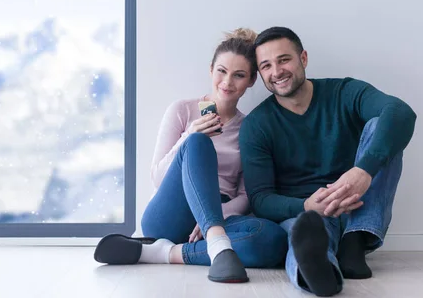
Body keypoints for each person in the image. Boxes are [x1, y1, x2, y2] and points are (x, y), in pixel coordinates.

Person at [94, 28, 288, 283]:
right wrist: (189, 136)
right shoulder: (182, 111)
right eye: (222, 71)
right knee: (198, 143)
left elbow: (245, 196)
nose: (227, 82)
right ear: (211, 70)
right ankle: (218, 245)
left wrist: (213, 218)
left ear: (251, 80)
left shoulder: (250, 128)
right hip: (171, 212)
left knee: (273, 240)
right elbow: (157, 178)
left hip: (218, 216)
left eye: (239, 75)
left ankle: (163, 253)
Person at [240, 27, 417, 296]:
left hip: (359, 205)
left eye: (284, 59)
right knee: (304, 238)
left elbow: (401, 112)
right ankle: (322, 274)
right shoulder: (257, 125)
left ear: (304, 58)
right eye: (266, 66)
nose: (276, 71)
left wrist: (362, 172)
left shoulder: (343, 91)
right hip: (308, 213)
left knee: (384, 126)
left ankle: (355, 240)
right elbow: (260, 198)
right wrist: (306, 204)